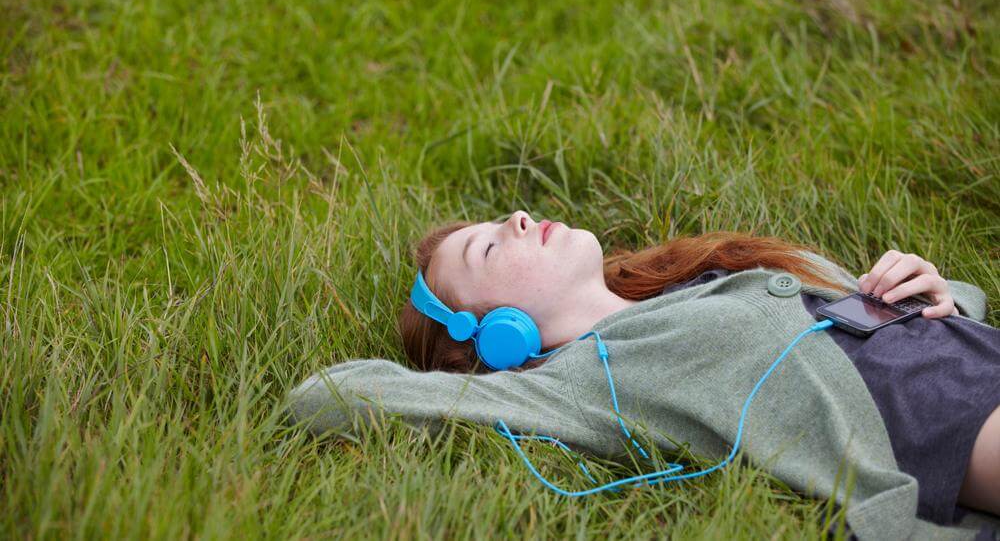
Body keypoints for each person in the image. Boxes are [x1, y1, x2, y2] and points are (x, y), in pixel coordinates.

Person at [284, 211, 1000, 540]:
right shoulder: (575, 376)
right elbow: (330, 395)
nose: (519, 216)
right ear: (495, 334)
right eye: (488, 249)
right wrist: (477, 373)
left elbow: (936, 306)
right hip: (938, 418)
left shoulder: (695, 274)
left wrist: (935, 287)